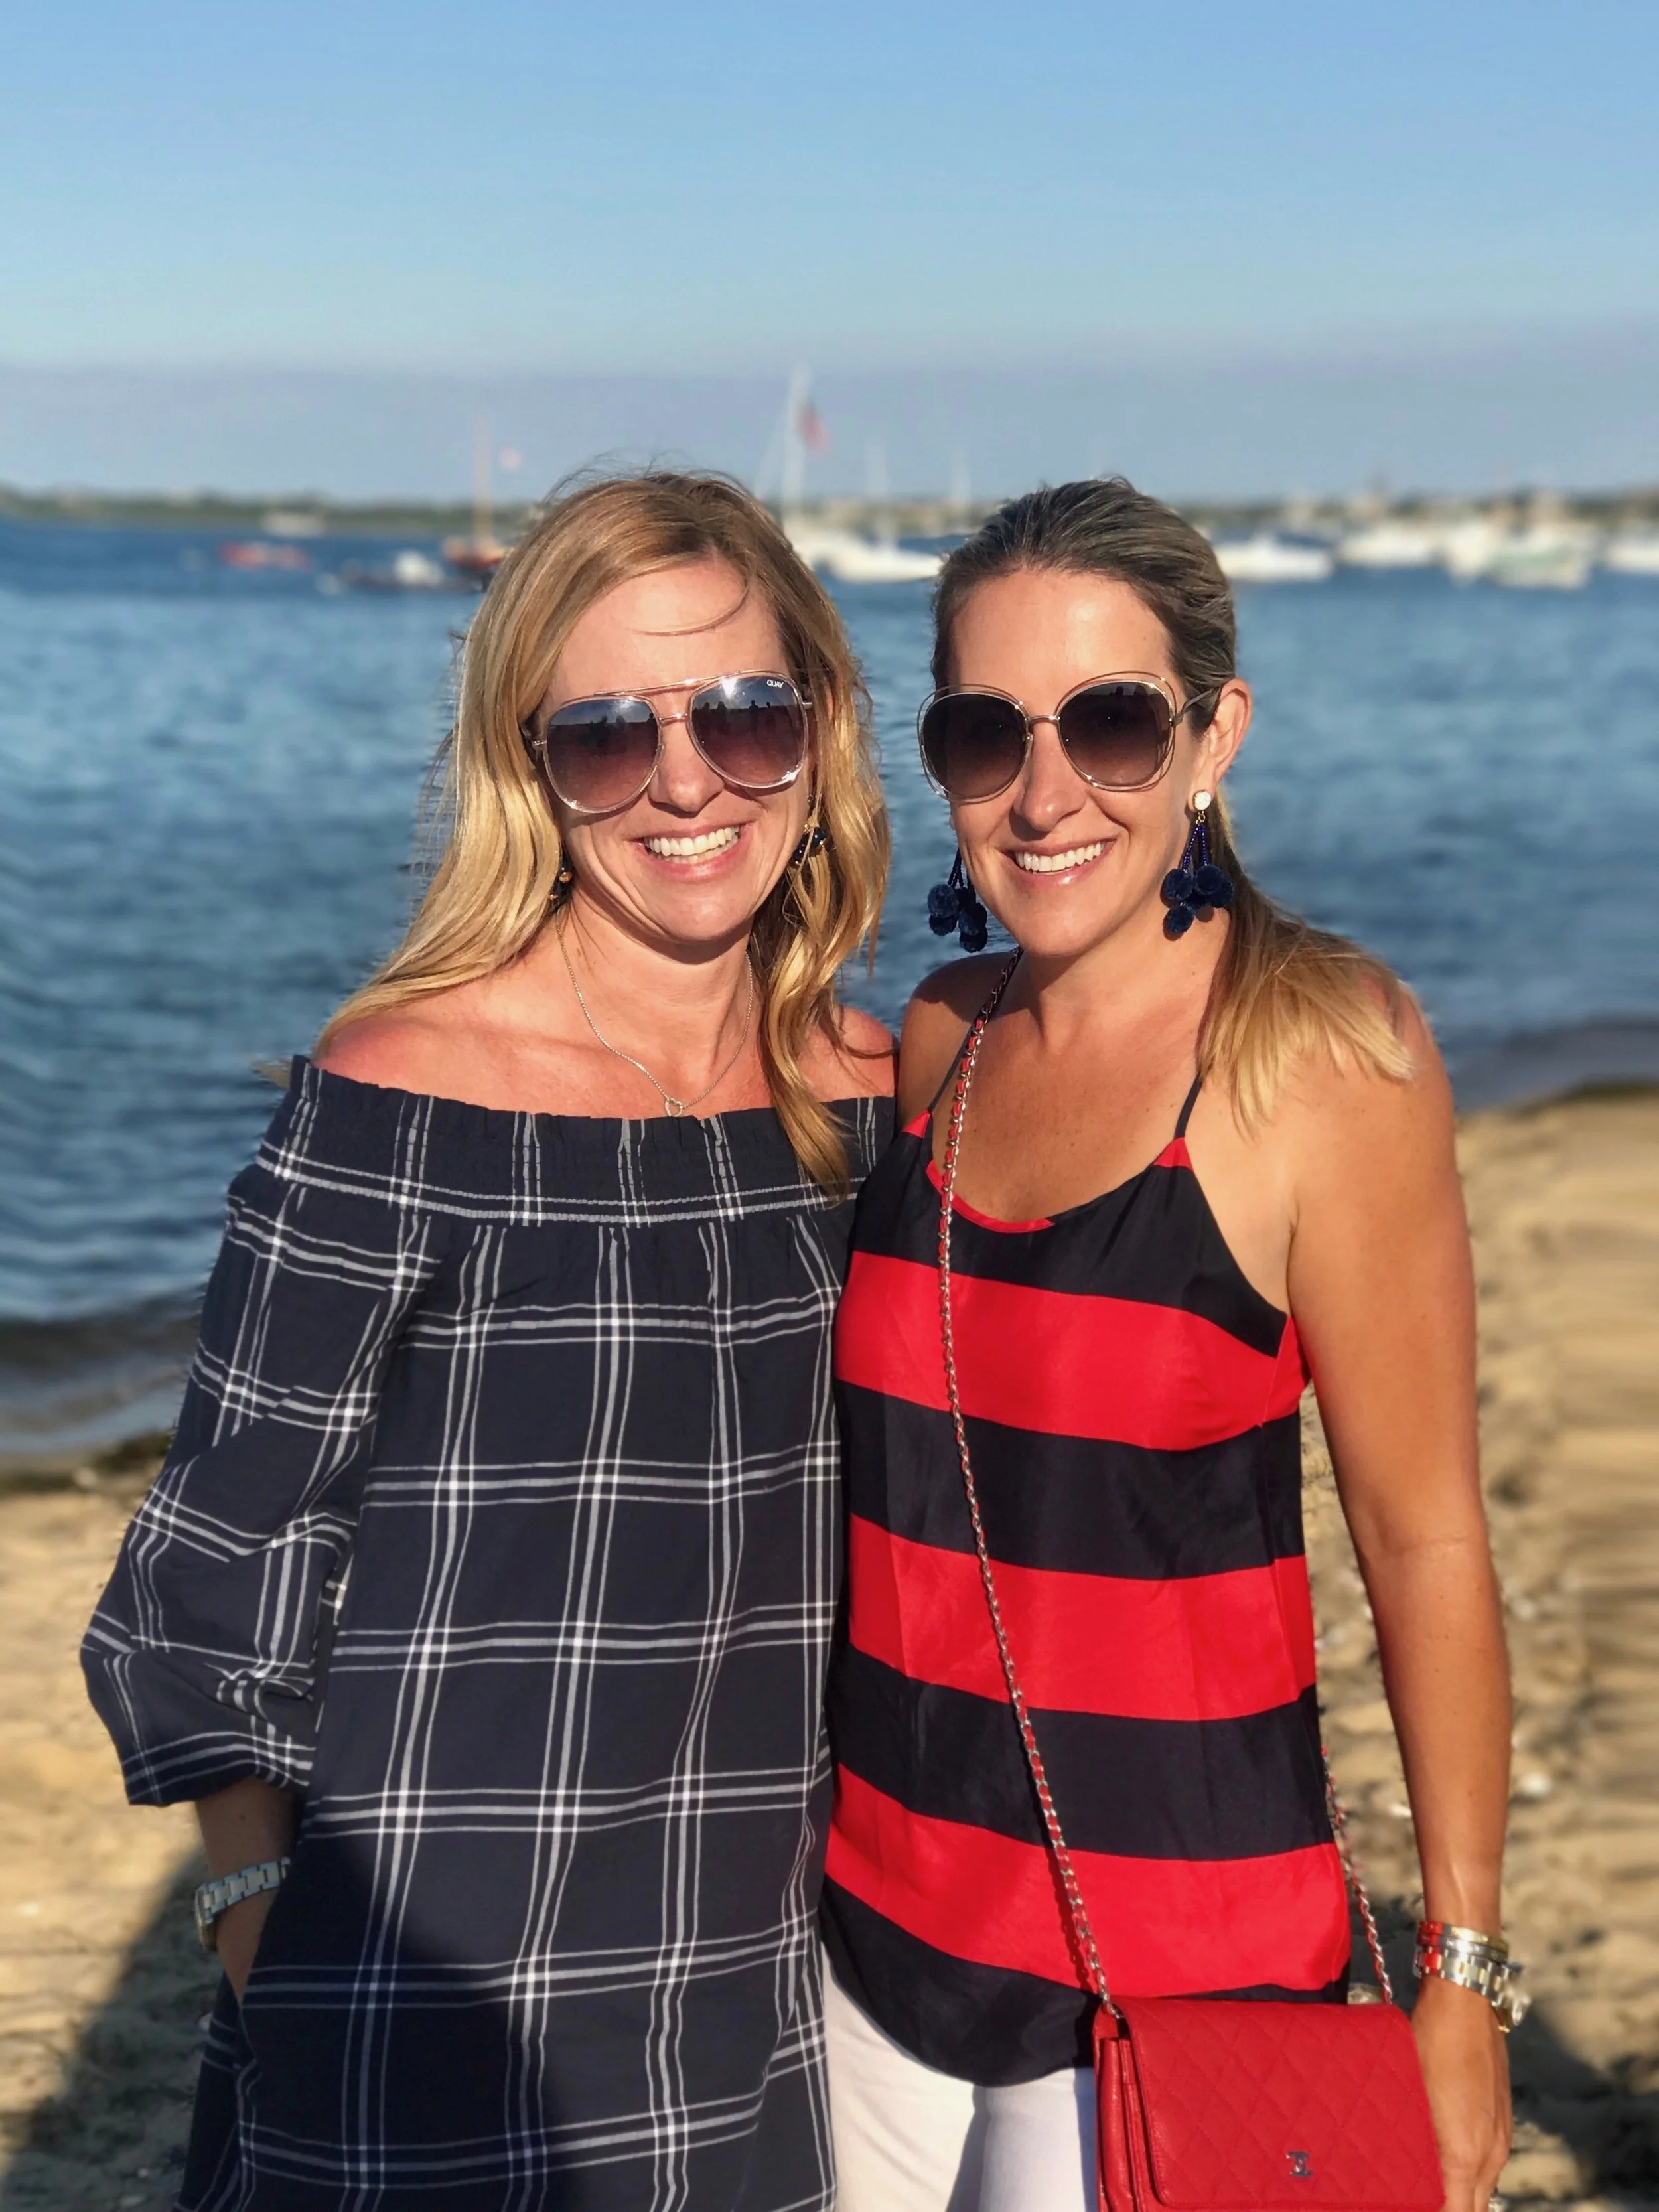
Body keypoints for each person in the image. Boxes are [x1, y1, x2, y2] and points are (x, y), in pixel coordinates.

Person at [84, 471, 894, 2212]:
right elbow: (214, 1569)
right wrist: (257, 1940)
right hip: (419, 2024)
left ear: (818, 725)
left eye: (742, 712)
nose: (686, 777)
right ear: (530, 768)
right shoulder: (404, 1086)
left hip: (760, 2009)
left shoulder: (871, 1100)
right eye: (609, 735)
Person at [820, 480, 1516, 2212]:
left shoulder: (1318, 1057)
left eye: (1111, 722)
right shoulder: (937, 1043)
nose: (1045, 791)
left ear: (1213, 735)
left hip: (1179, 1980)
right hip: (862, 1955)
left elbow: (1423, 1537)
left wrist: (1464, 1968)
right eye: (988, 731)